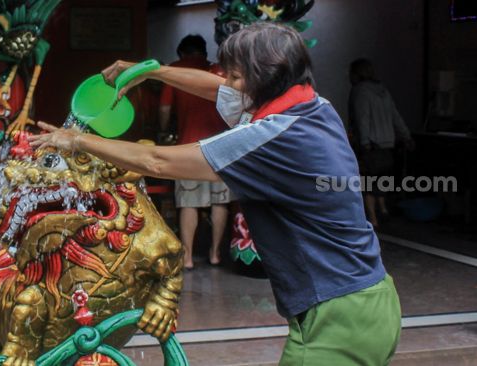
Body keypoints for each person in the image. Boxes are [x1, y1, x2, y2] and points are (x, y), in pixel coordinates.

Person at [30, 23, 401, 365]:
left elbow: (156, 161)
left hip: (336, 319)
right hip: (374, 298)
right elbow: (219, 90)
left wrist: (76, 139)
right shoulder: (315, 107)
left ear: (263, 80)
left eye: (236, 76)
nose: (228, 83)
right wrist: (151, 71)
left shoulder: (270, 137)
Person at [159, 34, 231, 269]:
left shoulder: (174, 71)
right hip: (222, 146)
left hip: (189, 145)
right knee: (220, 202)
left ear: (182, 52)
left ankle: (188, 258)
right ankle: (215, 254)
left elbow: (164, 109)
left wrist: (163, 129)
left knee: (189, 201)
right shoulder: (219, 71)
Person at [349, 58, 414, 228]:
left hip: (371, 144)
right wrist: (406, 136)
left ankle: (373, 219)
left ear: (356, 73)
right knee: (381, 179)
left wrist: (363, 142)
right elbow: (395, 115)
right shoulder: (383, 91)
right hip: (387, 144)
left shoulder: (360, 91)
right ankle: (383, 210)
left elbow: (362, 117)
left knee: (368, 183)